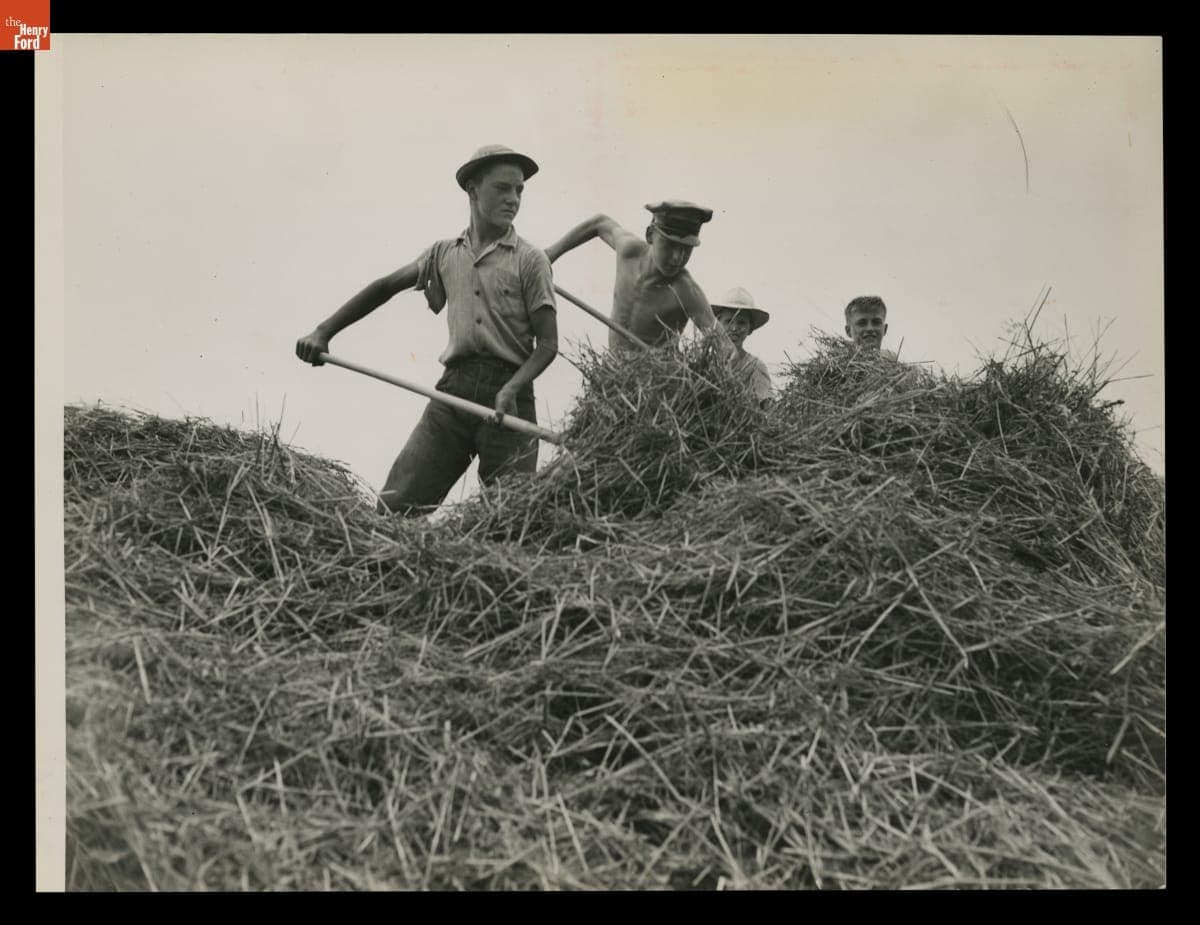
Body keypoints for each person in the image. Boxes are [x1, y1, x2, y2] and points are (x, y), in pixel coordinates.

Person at [294, 144, 558, 517]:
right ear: (472, 189)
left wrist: (513, 387)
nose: (513, 199)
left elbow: (548, 344)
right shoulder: (444, 254)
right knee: (393, 511)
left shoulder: (531, 260)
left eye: (519, 191)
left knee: (514, 523)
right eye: (503, 188)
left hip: (511, 400)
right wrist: (324, 331)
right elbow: (386, 286)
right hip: (453, 395)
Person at [543, 201, 734, 353]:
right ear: (650, 235)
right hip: (614, 374)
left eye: (686, 249)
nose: (678, 257)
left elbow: (725, 348)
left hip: (658, 387)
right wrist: (549, 255)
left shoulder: (685, 289)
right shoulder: (629, 251)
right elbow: (599, 223)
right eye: (670, 245)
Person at [711, 287, 773, 403]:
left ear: (750, 328)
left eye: (741, 323)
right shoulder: (706, 362)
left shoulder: (755, 366)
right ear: (718, 324)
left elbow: (767, 407)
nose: (734, 328)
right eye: (728, 321)